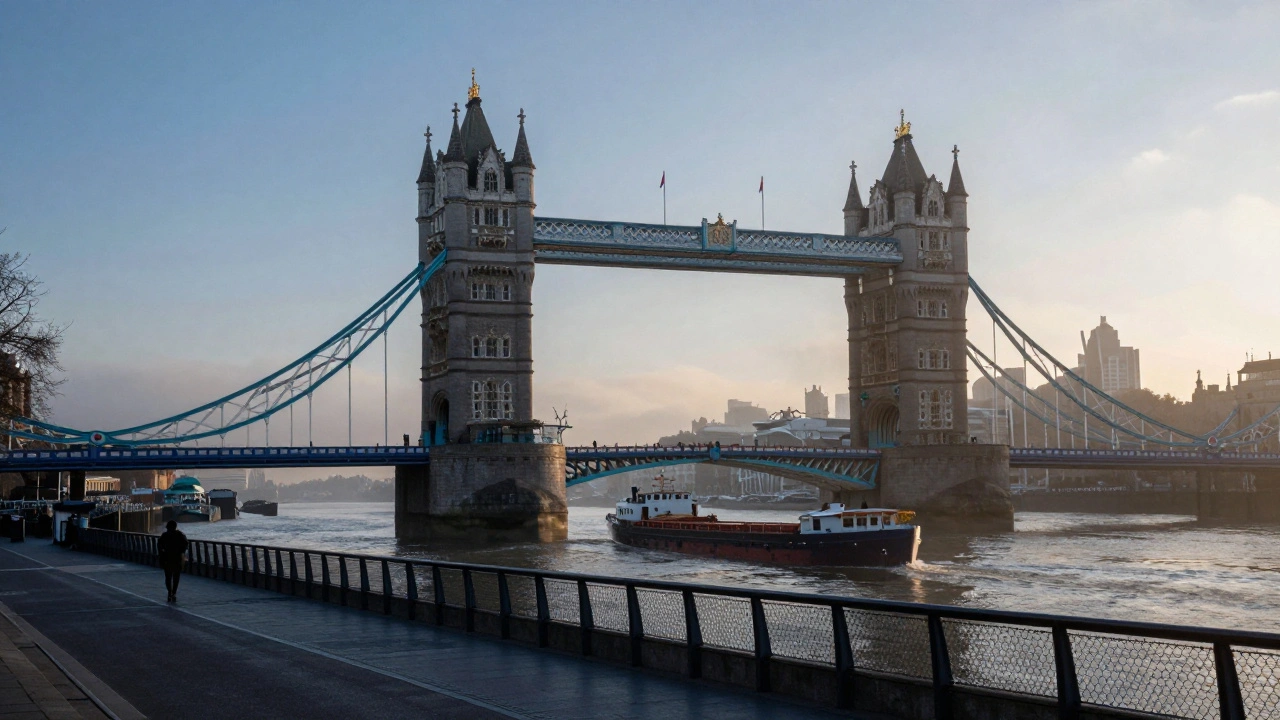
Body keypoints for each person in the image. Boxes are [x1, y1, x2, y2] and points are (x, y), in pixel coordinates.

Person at [157, 520, 188, 602]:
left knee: (168, 577)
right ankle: (174, 592)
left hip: (167, 558)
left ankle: (169, 592)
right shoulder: (180, 535)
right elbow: (185, 544)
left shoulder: (164, 535)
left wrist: (161, 554)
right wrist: (182, 552)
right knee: (176, 577)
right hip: (177, 558)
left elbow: (159, 545)